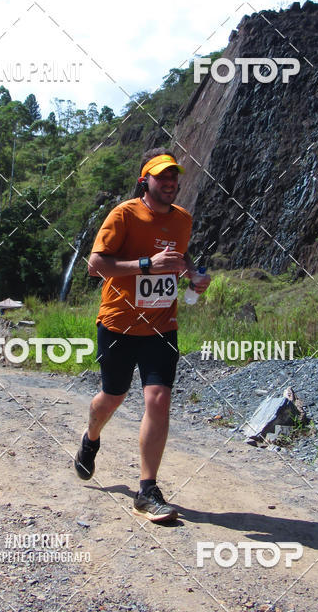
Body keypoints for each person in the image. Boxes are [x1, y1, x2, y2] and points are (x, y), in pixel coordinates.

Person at [74, 148, 211, 522]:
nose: (169, 182)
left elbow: (180, 260)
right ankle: (91, 438)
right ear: (145, 180)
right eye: (161, 176)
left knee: (158, 398)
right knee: (112, 397)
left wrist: (194, 277)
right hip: (118, 324)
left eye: (174, 177)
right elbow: (95, 265)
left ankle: (147, 490)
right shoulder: (124, 214)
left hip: (162, 327)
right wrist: (146, 266)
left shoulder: (183, 220)